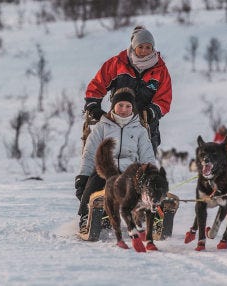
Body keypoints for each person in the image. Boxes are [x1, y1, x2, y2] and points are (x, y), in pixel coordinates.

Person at [74, 87, 157, 233]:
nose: (124, 109)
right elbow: (89, 154)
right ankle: (87, 217)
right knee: (95, 181)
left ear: (132, 108)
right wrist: (82, 177)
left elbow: (147, 156)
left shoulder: (139, 130)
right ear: (113, 106)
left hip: (131, 171)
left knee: (146, 188)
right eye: (120, 105)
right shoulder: (102, 127)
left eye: (128, 106)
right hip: (105, 169)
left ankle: (154, 217)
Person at [83, 25, 172, 154]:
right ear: (134, 47)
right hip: (117, 121)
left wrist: (152, 112)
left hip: (146, 125)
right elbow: (97, 84)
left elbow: (164, 99)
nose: (144, 51)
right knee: (111, 162)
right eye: (140, 47)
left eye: (148, 47)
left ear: (153, 48)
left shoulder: (160, 70)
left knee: (144, 166)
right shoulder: (117, 63)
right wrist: (92, 105)